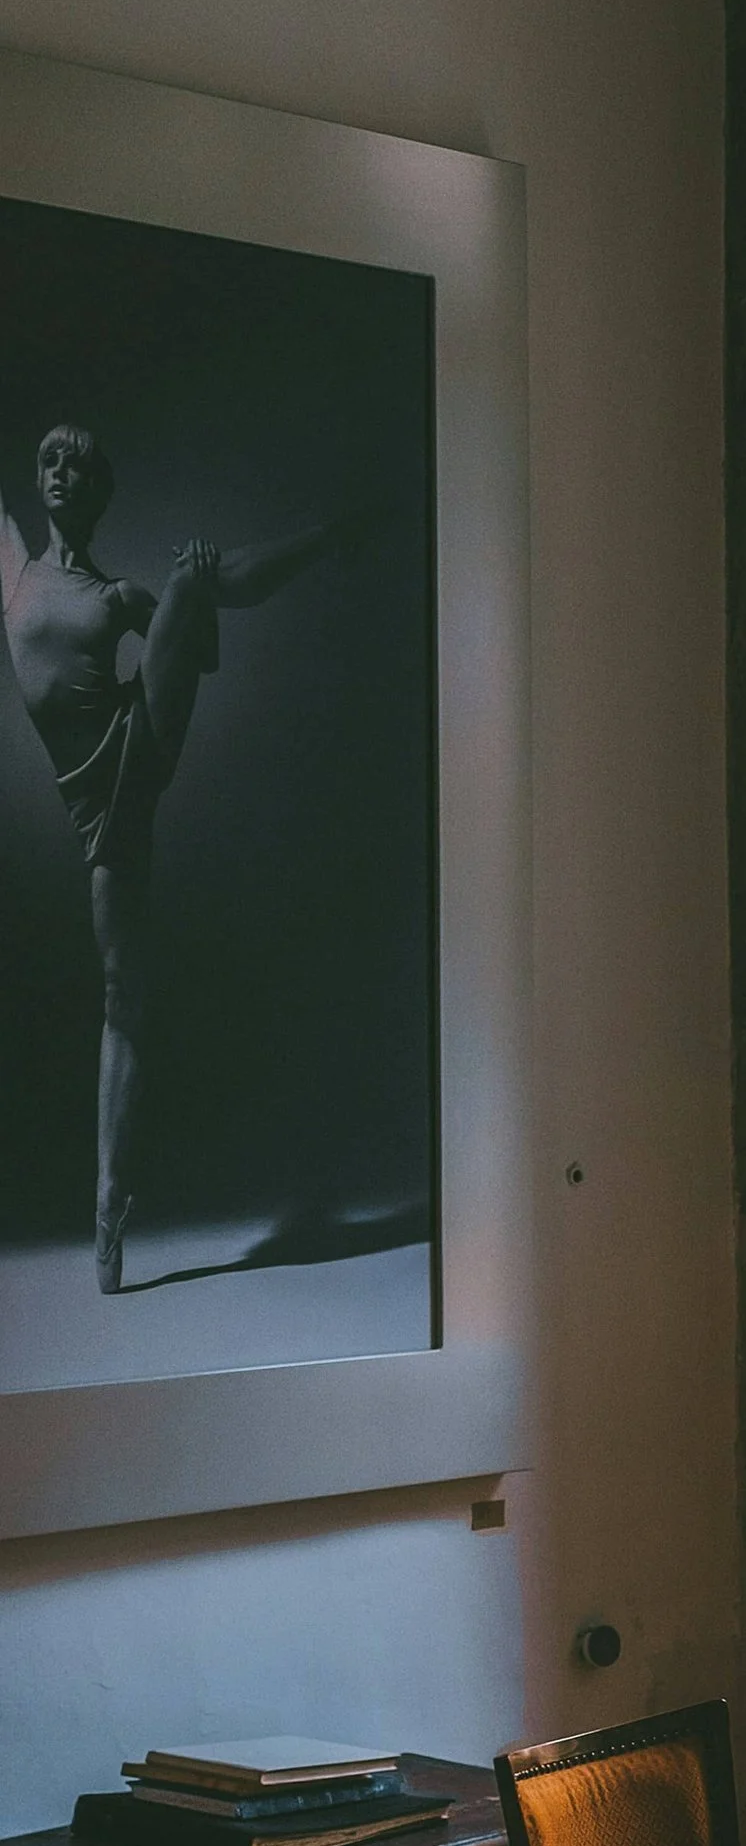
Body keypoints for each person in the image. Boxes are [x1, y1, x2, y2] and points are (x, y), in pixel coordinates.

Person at [0, 422, 372, 1291]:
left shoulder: (115, 594)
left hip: (144, 741)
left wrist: (191, 590)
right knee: (124, 998)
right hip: (101, 812)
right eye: (50, 460)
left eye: (79, 467)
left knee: (188, 578)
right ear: (38, 478)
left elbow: (195, 642)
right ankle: (109, 1207)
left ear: (98, 494)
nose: (60, 473)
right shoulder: (15, 569)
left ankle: (328, 536)